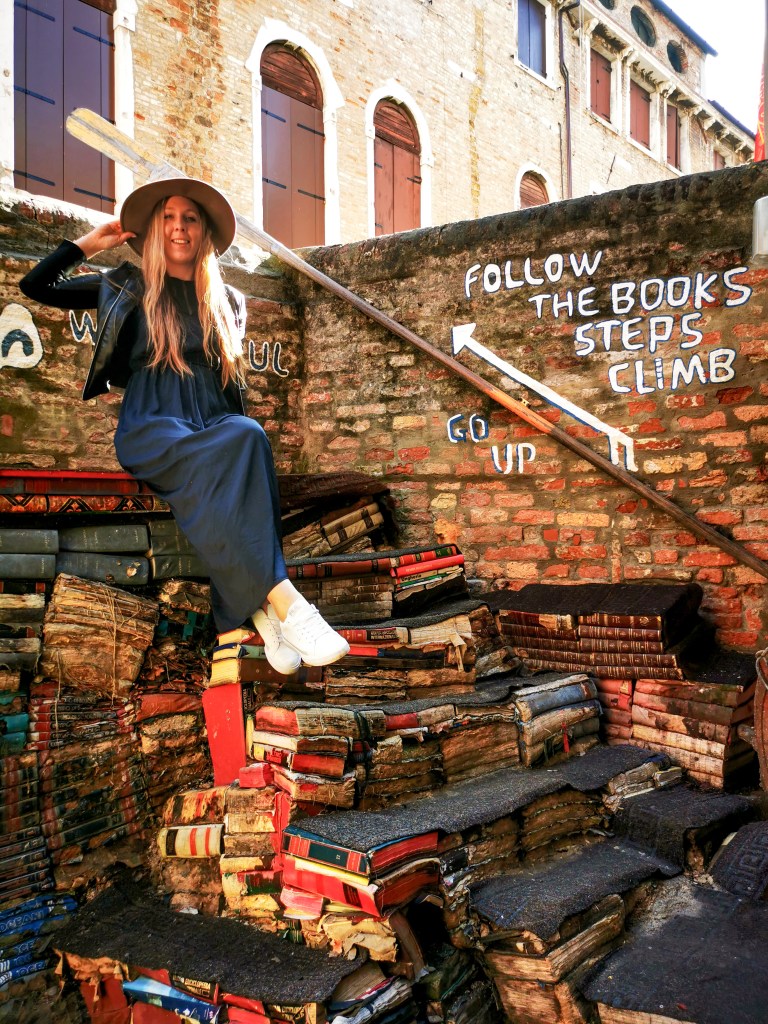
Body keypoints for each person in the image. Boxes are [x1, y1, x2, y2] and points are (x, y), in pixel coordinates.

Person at [19, 177, 349, 674]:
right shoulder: (126, 287)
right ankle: (287, 604)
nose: (178, 227)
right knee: (240, 443)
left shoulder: (228, 302)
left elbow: (228, 388)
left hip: (213, 421)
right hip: (155, 424)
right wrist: (93, 240)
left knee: (250, 437)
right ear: (154, 229)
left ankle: (256, 612)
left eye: (189, 218)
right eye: (168, 217)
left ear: (205, 232)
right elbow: (36, 286)